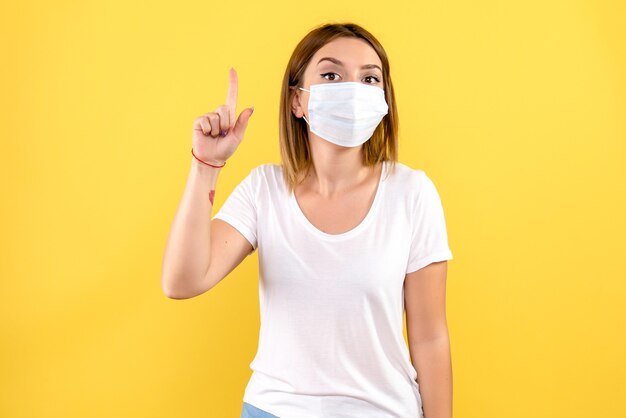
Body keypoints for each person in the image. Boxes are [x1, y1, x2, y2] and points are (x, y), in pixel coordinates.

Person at [162, 22, 454, 418]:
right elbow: (182, 281)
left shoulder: (412, 194)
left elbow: (430, 338)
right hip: (274, 410)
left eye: (369, 78)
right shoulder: (264, 190)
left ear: (384, 100)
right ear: (298, 101)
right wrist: (206, 166)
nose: (353, 90)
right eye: (331, 75)